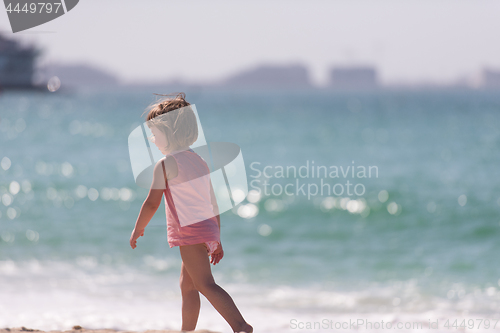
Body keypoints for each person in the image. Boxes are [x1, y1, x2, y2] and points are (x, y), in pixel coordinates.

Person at [129, 92, 253, 333]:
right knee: (188, 285)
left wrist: (138, 227)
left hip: (190, 232)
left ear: (170, 133)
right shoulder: (199, 161)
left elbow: (152, 202)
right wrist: (216, 238)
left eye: (155, 134)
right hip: (206, 229)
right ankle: (187, 331)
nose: (153, 140)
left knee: (205, 284)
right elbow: (213, 202)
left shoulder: (165, 165)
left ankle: (240, 327)